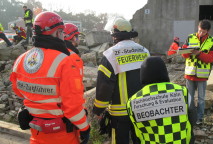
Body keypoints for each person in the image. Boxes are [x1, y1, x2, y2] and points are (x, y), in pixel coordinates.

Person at [10, 11, 90, 144]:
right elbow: (72, 106)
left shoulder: (22, 59)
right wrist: (84, 127)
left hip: (36, 131)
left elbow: (18, 90)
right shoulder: (65, 61)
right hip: (61, 134)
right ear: (59, 32)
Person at [93, 18, 150, 144]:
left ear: (114, 36)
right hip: (142, 108)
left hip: (120, 113)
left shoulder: (110, 55)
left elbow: (104, 86)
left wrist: (98, 110)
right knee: (141, 139)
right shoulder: (144, 51)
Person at [127, 56, 196, 144]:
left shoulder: (133, 101)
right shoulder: (182, 91)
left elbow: (134, 132)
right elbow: (193, 118)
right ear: (164, 72)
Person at [181, 20, 213, 125]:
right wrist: (187, 51)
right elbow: (183, 54)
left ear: (208, 31)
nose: (201, 33)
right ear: (198, 27)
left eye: (203, 32)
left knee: (201, 99)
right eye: (200, 31)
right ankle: (190, 117)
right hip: (189, 73)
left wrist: (199, 54)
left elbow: (211, 58)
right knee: (189, 97)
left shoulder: (212, 41)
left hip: (202, 75)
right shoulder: (190, 37)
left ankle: (200, 118)